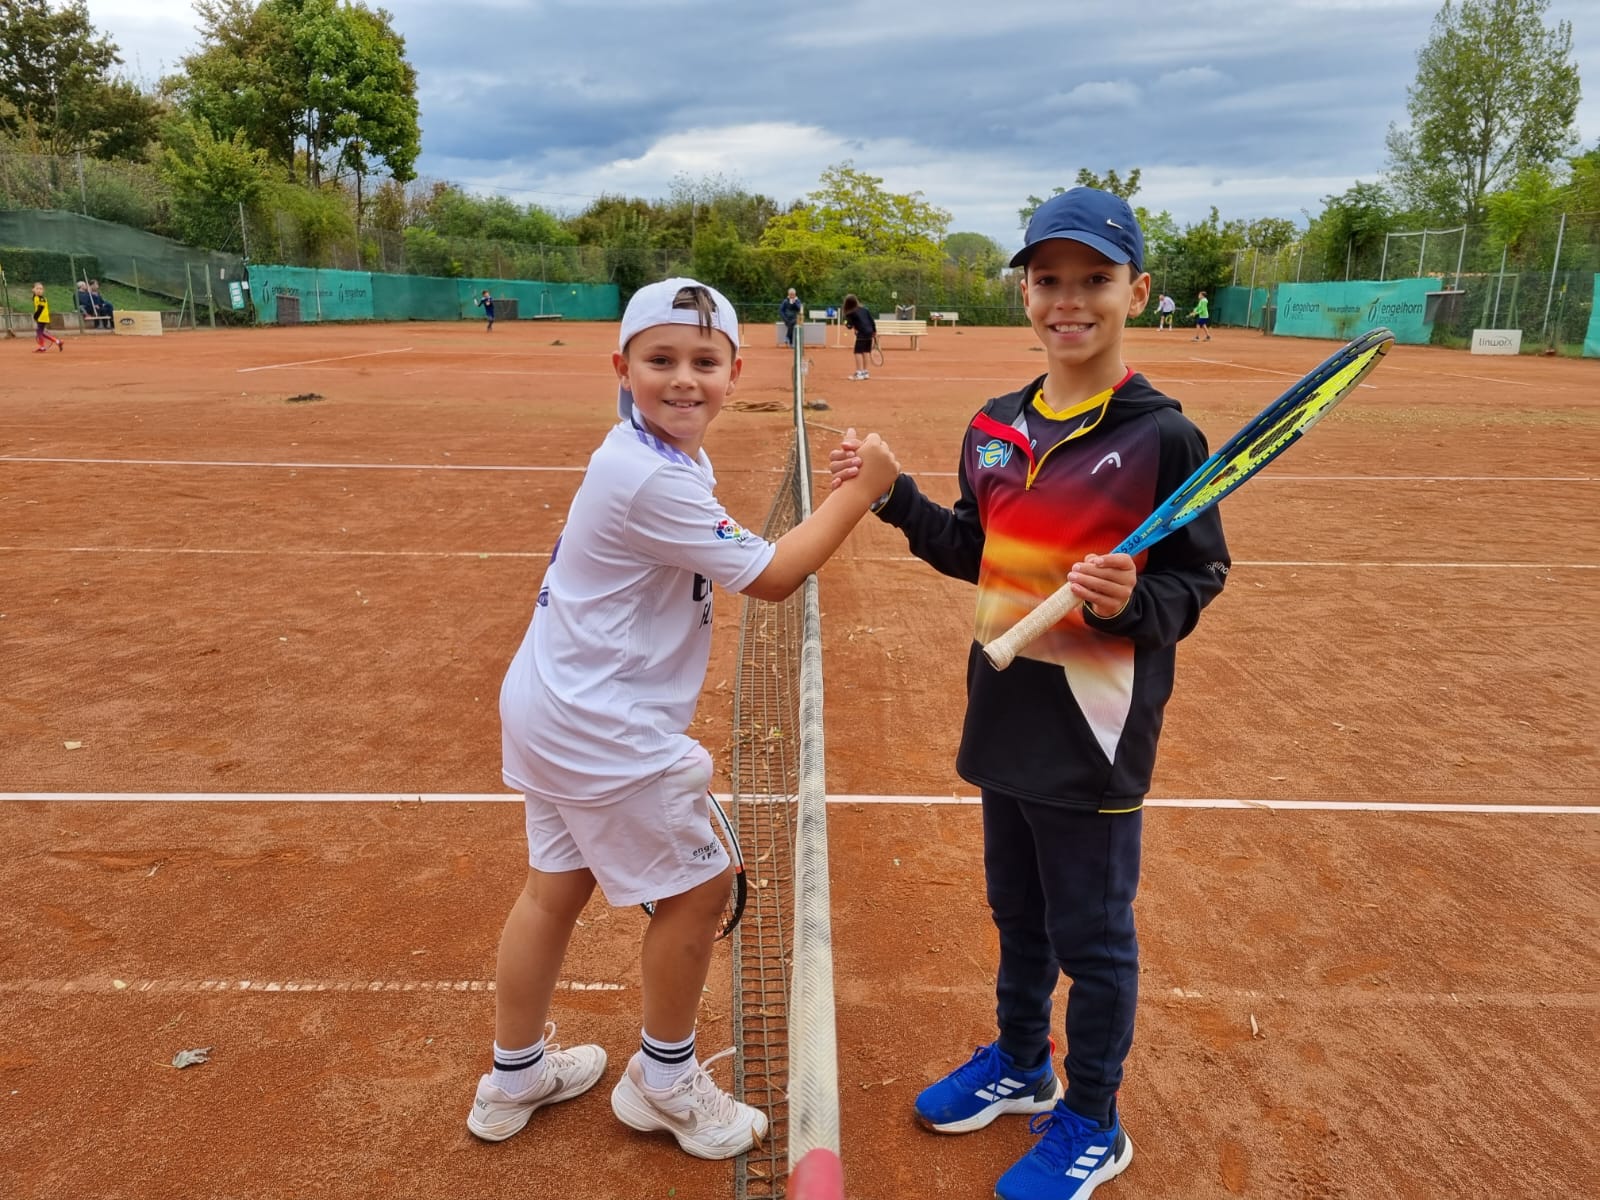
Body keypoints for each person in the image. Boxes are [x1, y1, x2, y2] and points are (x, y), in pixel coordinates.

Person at [828, 189, 1230, 1200]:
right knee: (1017, 911)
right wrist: (893, 496)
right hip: (1004, 710)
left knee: (1093, 938)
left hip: (1095, 732)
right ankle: (1021, 1065)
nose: (1069, 300)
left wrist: (1136, 602)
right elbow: (978, 548)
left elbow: (1198, 576)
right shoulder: (992, 427)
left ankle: (1092, 1118)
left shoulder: (1164, 438)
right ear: (1024, 292)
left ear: (1138, 290)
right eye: (1048, 279)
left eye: (1094, 279)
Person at [468, 277, 899, 1161]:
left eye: (704, 361)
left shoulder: (646, 453)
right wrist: (863, 493)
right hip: (601, 723)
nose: (683, 379)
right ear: (621, 367)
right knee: (701, 889)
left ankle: (514, 1076)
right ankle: (662, 1084)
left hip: (552, 702)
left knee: (554, 888)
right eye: (660, 359)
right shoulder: (651, 477)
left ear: (734, 374)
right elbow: (773, 575)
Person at [841, 293, 876, 380]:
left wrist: (845, 322)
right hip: (869, 332)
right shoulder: (865, 310)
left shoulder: (850, 313)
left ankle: (859, 373)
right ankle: (865, 372)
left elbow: (849, 326)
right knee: (866, 352)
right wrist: (874, 331)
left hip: (862, 333)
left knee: (858, 352)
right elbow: (872, 321)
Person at [31, 284, 63, 353]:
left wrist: (35, 317)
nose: (39, 290)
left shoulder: (41, 298)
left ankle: (43, 347)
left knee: (39, 331)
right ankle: (57, 341)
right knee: (40, 331)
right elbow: (34, 298)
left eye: (41, 289)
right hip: (42, 317)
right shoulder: (36, 297)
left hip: (42, 317)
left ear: (43, 291)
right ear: (33, 290)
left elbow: (40, 308)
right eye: (37, 289)